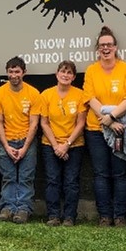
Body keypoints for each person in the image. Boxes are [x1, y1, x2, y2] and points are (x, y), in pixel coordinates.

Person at [83, 26, 126, 227]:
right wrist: (107, 119)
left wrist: (113, 117)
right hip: (96, 129)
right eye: (102, 46)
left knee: (120, 173)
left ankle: (120, 216)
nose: (105, 48)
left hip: (122, 128)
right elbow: (90, 98)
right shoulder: (91, 70)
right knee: (101, 173)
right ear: (97, 49)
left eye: (109, 45)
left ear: (116, 47)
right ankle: (105, 216)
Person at [0, 57, 42, 223]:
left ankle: (23, 209)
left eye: (17, 72)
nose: (14, 75)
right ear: (7, 73)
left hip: (27, 140)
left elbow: (34, 124)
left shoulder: (33, 93)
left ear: (24, 72)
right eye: (11, 72)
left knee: (26, 177)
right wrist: (6, 146)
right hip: (7, 140)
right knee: (8, 176)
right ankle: (7, 208)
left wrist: (25, 147)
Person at [38, 60, 87, 227]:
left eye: (69, 73)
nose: (65, 75)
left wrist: (66, 144)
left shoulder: (80, 95)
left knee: (71, 182)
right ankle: (53, 216)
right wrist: (56, 146)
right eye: (62, 72)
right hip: (50, 144)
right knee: (52, 180)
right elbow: (44, 123)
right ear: (56, 74)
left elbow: (81, 123)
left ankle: (69, 217)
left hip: (74, 145)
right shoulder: (46, 95)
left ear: (73, 77)